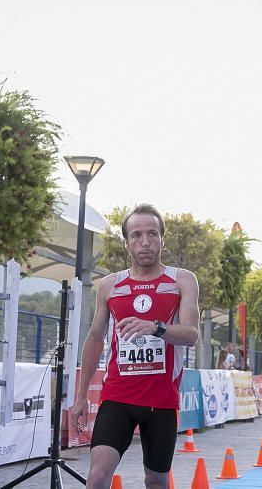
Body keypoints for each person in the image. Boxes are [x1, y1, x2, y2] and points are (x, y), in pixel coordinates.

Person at [68, 204, 200, 489]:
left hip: (162, 402)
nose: (145, 242)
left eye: (152, 234)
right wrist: (80, 398)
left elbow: (191, 334)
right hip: (117, 398)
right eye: (137, 235)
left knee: (156, 481)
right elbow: (94, 340)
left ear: (163, 239)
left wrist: (157, 327)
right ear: (127, 242)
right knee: (97, 478)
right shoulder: (110, 285)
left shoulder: (181, 280)